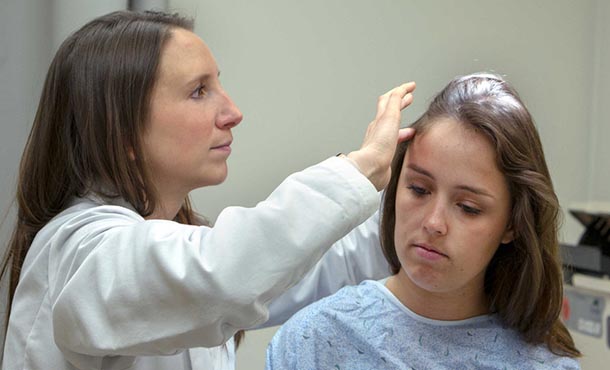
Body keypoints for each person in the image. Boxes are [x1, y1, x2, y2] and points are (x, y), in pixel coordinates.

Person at [0, 10, 417, 370]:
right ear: (121, 131)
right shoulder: (81, 254)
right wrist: (361, 169)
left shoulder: (176, 252)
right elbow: (226, 274)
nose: (233, 113)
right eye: (199, 91)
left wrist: (417, 202)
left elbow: (312, 265)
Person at [266, 73, 582, 369]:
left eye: (468, 207)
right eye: (418, 189)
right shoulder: (314, 342)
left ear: (512, 225)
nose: (434, 223)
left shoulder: (543, 363)